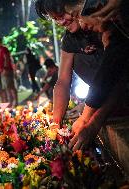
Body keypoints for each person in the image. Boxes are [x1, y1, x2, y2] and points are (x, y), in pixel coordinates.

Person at [35, 0, 129, 151]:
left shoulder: (105, 22)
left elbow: (114, 74)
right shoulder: (71, 39)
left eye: (63, 14)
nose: (62, 21)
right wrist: (55, 123)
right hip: (102, 91)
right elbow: (63, 81)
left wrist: (92, 122)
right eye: (56, 19)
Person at [0, 37, 18, 108]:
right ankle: (11, 102)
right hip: (3, 72)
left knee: (11, 87)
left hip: (7, 70)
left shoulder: (4, 49)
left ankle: (14, 102)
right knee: (7, 87)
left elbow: (7, 58)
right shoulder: (0, 50)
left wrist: (5, 69)